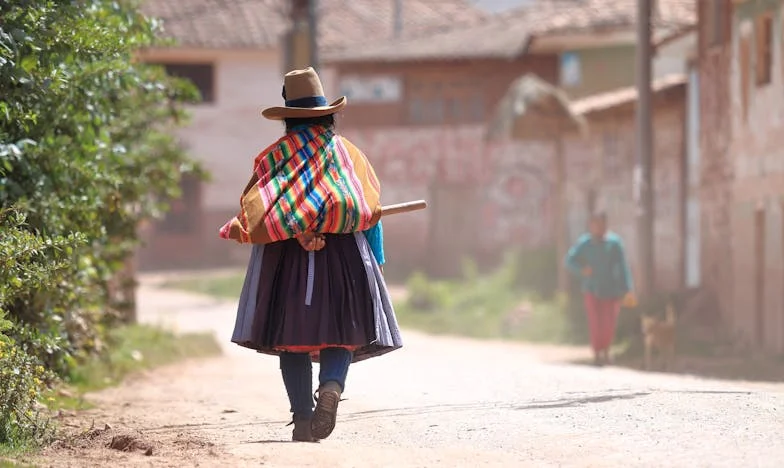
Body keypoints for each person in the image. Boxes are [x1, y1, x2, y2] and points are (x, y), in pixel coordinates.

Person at [219, 67, 402, 442]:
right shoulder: (349, 155)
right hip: (346, 253)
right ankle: (332, 387)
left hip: (286, 257)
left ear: (288, 117)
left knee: (292, 337)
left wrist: (298, 230)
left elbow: (258, 208)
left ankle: (303, 419)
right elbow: (370, 210)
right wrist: (376, 264)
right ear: (328, 115)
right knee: (341, 332)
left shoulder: (273, 157)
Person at [565, 210, 635, 366]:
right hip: (592, 289)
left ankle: (606, 351)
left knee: (609, 323)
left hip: (612, 290)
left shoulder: (614, 243)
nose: (598, 228)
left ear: (606, 225)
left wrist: (628, 288)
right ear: (590, 226)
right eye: (594, 225)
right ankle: (597, 352)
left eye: (601, 224)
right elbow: (570, 260)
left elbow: (623, 266)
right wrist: (582, 270)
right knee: (595, 322)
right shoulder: (585, 243)